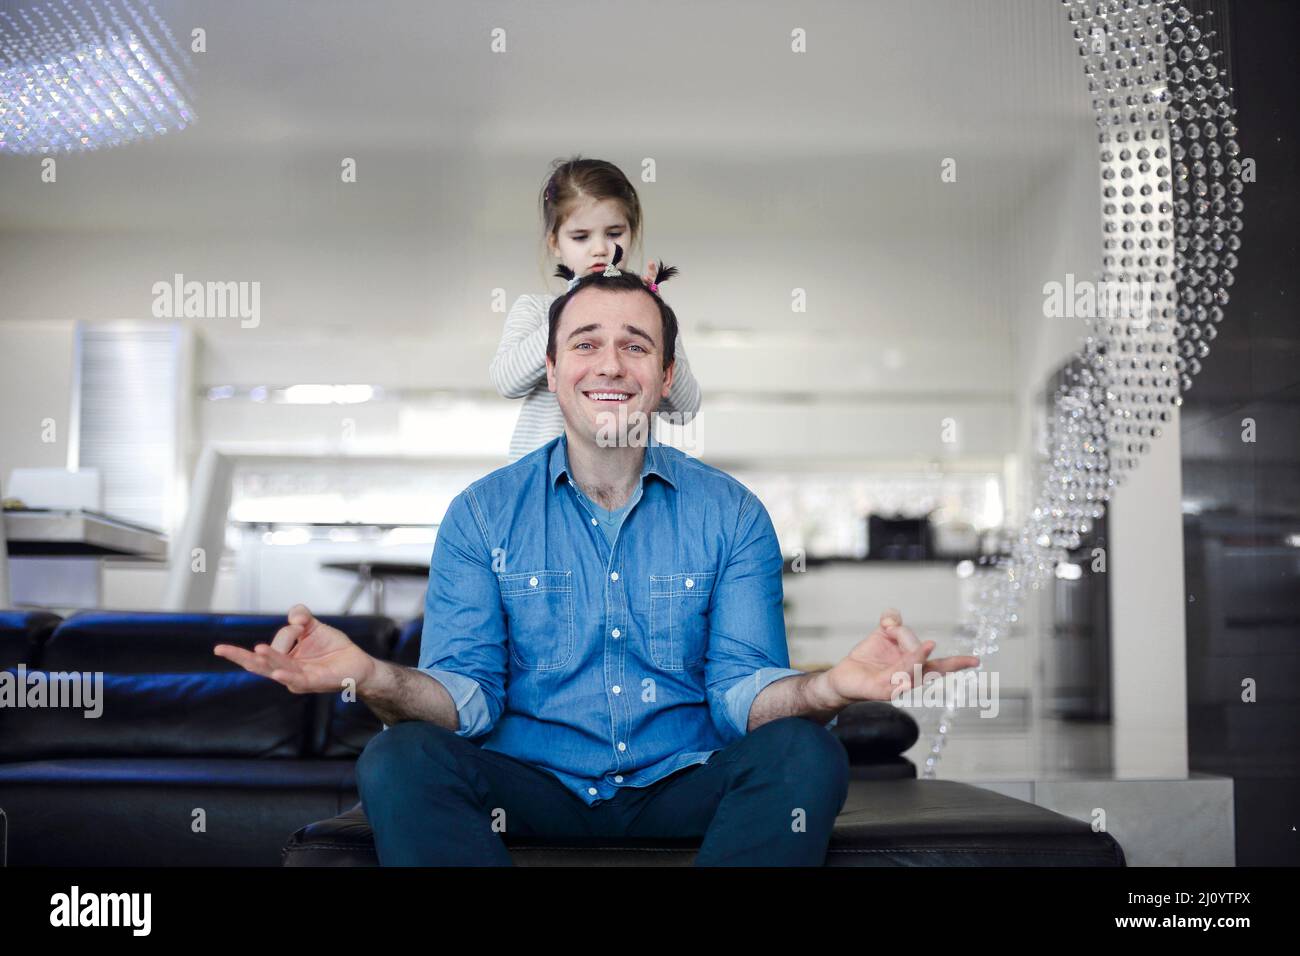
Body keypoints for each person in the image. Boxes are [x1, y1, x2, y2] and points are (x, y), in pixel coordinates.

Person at [214, 261, 979, 866]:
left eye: (634, 345)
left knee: (804, 753)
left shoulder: (733, 513)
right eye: (585, 343)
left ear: (666, 375)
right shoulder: (481, 515)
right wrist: (374, 676)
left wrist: (831, 687)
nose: (608, 363)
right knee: (399, 758)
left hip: (683, 784)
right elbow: (466, 698)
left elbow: (741, 698)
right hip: (529, 786)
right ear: (551, 372)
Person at [490, 156, 701, 462]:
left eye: (614, 233)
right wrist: (572, 310)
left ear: (632, 233)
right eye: (580, 237)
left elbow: (684, 411)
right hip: (543, 491)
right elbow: (506, 381)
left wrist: (657, 317)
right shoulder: (536, 309)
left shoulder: (648, 314)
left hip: (625, 487)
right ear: (555, 243)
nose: (600, 248)